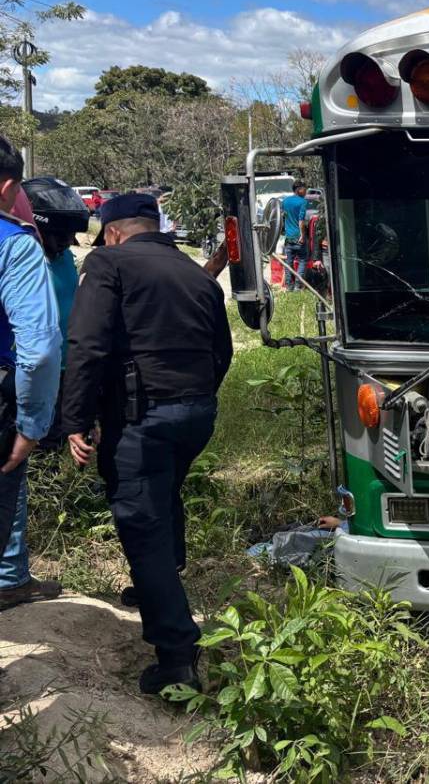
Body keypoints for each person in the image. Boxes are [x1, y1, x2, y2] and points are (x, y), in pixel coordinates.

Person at [63, 193, 233, 693]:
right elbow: (220, 352)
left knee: (141, 523)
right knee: (164, 492)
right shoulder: (196, 273)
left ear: (113, 231)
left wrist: (74, 418)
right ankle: (156, 583)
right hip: (196, 413)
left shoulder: (107, 262)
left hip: (142, 417)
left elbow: (86, 345)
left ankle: (177, 656)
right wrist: (195, 398)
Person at [0, 179, 88, 609]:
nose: (71, 243)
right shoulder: (22, 254)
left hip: (57, 375)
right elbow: (37, 347)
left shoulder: (61, 258)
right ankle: (10, 575)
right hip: (20, 381)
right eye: (63, 234)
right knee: (11, 478)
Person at [0, 137, 63, 611]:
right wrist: (32, 423)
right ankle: (8, 579)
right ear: (7, 187)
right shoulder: (15, 245)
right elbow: (39, 351)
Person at [281, 181, 309, 291]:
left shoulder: (285, 201)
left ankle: (288, 286)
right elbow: (301, 221)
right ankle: (298, 286)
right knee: (302, 260)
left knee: (288, 263)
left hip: (288, 238)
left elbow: (283, 217)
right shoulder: (302, 202)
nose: (306, 191)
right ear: (298, 190)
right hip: (298, 237)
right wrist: (303, 235)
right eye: (304, 189)